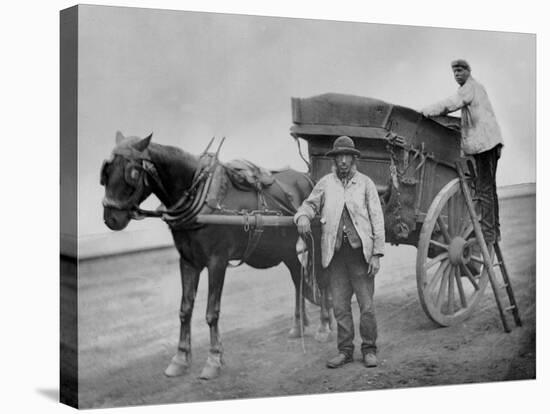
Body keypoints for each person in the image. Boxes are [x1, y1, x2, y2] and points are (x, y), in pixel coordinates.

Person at [294, 136, 385, 368]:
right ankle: (345, 351)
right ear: (334, 160)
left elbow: (377, 219)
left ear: (354, 159)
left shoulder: (365, 184)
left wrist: (376, 254)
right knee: (340, 307)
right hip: (334, 257)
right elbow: (309, 204)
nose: (343, 161)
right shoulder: (326, 183)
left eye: (347, 156)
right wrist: (303, 215)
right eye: (339, 157)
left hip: (360, 256)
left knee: (366, 306)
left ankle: (369, 349)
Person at [421, 59, 504, 245]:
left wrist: (426, 112)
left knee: (484, 189)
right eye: (454, 72)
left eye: (460, 70)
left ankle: (489, 234)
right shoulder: (476, 87)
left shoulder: (469, 87)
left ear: (468, 71)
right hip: (489, 143)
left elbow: (450, 104)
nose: (457, 74)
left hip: (486, 144)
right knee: (489, 188)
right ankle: (494, 230)